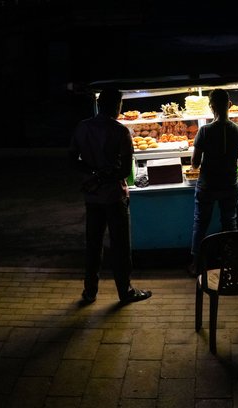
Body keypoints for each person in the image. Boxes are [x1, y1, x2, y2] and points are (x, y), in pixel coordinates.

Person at [69, 88, 152, 305]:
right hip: (114, 196)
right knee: (120, 246)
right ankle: (125, 291)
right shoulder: (120, 131)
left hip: (92, 196)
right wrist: (106, 175)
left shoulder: (82, 127)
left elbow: (72, 159)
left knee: (93, 244)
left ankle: (90, 291)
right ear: (117, 106)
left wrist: (93, 174)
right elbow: (125, 170)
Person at [188, 88, 238, 275]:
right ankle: (233, 263)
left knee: (200, 223)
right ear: (229, 105)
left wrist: (201, 156)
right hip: (229, 186)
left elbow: (195, 164)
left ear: (211, 107)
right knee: (230, 223)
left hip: (207, 186)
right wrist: (237, 151)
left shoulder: (204, 131)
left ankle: (196, 264)